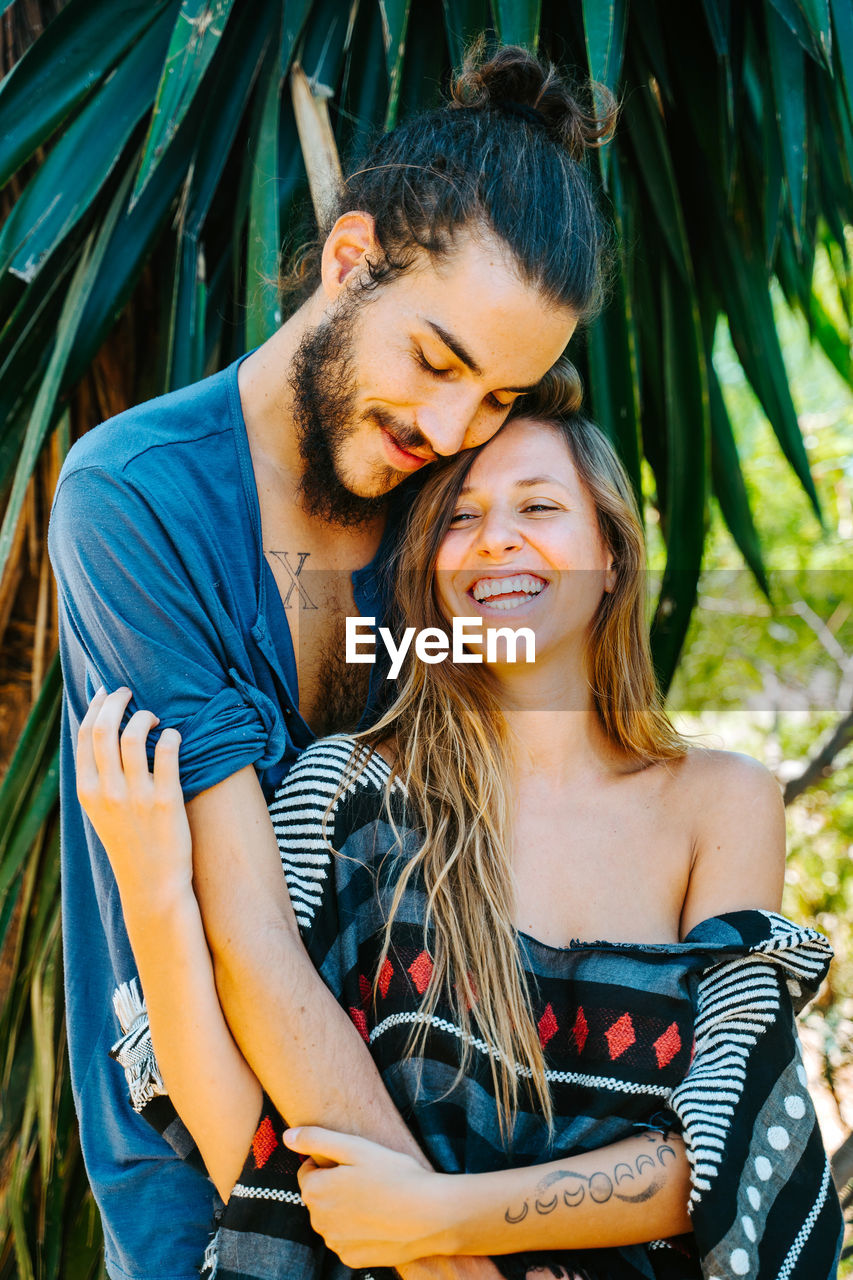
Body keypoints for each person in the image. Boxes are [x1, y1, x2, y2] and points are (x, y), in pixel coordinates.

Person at [48, 42, 617, 1280]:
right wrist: (443, 1263)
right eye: (437, 361)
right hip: (210, 1199)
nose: (452, 432)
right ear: (351, 261)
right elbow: (243, 931)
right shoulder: (137, 501)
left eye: (498, 398)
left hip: (471, 1183)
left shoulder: (457, 513)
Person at [76, 391, 845, 1279]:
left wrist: (437, 1218)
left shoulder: (723, 803)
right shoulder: (348, 793)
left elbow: (725, 1153)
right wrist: (154, 891)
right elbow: (245, 1141)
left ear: (609, 554)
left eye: (540, 506)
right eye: (461, 516)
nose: (496, 537)